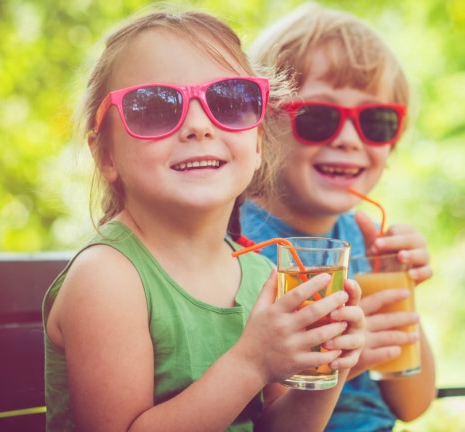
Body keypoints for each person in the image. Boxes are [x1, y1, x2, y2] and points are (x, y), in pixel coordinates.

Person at [42, 7, 365, 432]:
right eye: (154, 107)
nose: (198, 126)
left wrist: (329, 370)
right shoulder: (107, 279)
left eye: (230, 101)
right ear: (106, 155)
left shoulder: (258, 274)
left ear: (258, 144)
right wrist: (251, 363)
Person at [238, 3, 437, 430]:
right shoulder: (236, 247)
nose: (348, 139)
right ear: (262, 126)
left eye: (375, 121)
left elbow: (413, 404)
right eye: (318, 117)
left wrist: (403, 292)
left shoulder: (365, 242)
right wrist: (343, 361)